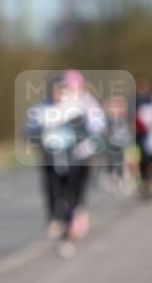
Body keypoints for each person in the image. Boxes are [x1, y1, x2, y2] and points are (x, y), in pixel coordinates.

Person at [26, 70, 106, 258]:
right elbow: (29, 129)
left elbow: (96, 128)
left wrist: (87, 147)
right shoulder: (40, 108)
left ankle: (68, 235)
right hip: (51, 159)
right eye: (55, 89)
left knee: (72, 197)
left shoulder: (79, 105)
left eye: (62, 89)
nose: (58, 93)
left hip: (75, 159)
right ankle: (56, 221)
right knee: (53, 194)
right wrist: (38, 135)